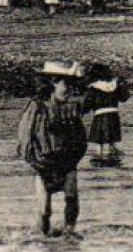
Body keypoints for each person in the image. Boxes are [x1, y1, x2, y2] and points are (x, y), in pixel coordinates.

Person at [17, 61, 90, 237]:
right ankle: (43, 237)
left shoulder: (73, 106)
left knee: (72, 197)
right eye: (66, 84)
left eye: (72, 85)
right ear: (53, 83)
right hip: (44, 162)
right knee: (44, 208)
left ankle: (70, 232)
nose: (70, 89)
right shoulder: (37, 107)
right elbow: (25, 136)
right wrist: (33, 160)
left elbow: (80, 135)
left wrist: (76, 156)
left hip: (67, 160)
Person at [84, 63, 130, 166]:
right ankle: (112, 159)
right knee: (112, 141)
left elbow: (88, 104)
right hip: (114, 116)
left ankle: (100, 159)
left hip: (99, 117)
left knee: (99, 143)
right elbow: (124, 98)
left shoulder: (93, 88)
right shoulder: (114, 85)